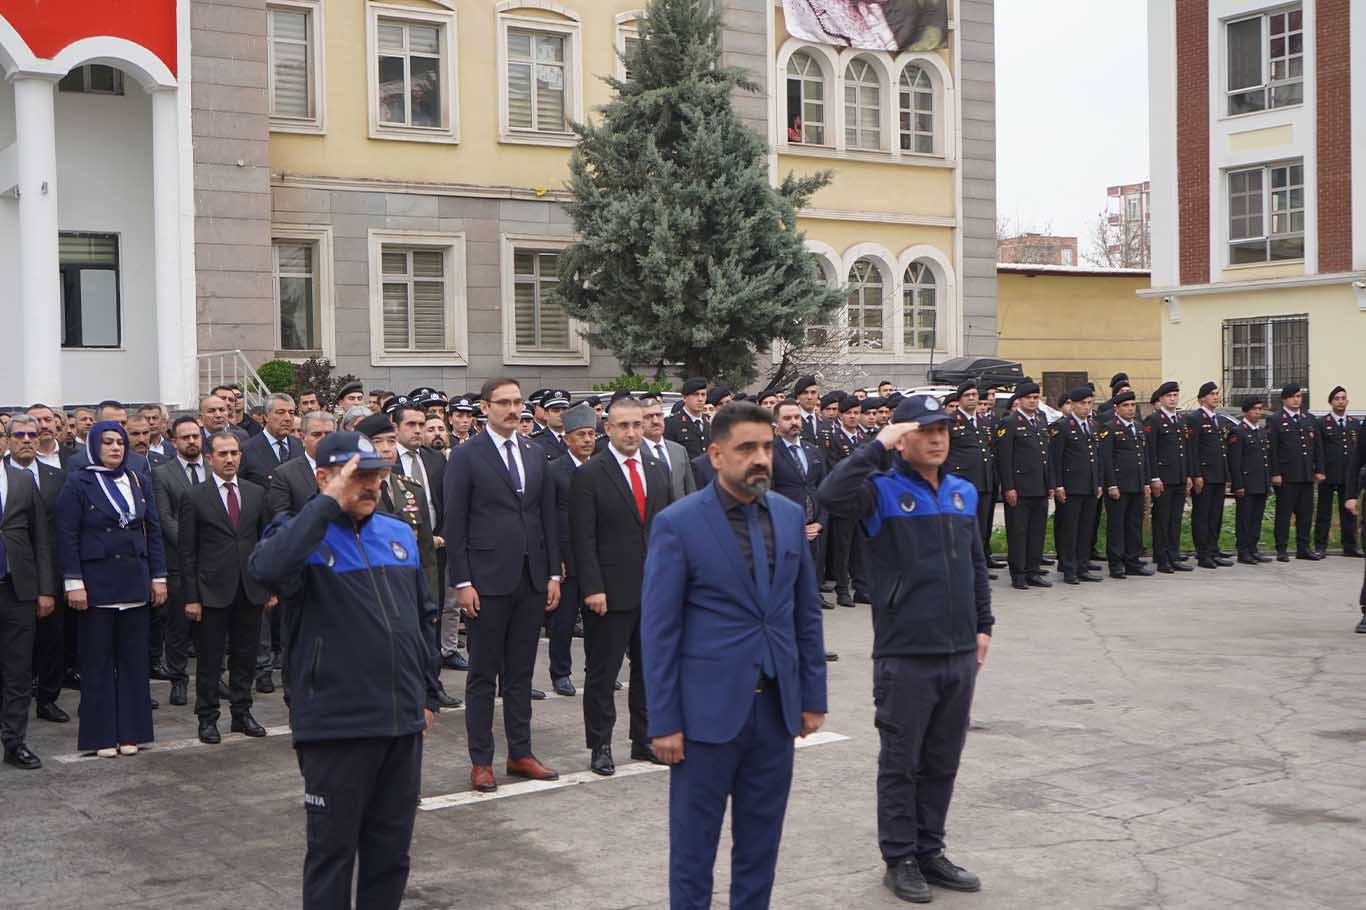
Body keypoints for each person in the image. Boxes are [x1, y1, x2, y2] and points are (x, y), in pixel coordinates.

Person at [642, 401, 827, 910]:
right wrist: (664, 721)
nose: (760, 458)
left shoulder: (789, 518)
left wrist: (812, 695)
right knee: (694, 850)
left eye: (766, 447)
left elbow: (804, 614)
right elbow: (659, 630)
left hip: (775, 712)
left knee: (760, 845)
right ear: (716, 454)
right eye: (747, 448)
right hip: (704, 718)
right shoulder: (678, 524)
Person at [247, 433, 439, 910]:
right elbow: (266, 570)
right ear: (324, 478)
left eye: (376, 473)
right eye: (358, 475)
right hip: (336, 724)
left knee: (391, 853)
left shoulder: (397, 532)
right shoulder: (299, 534)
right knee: (332, 854)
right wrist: (329, 503)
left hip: (400, 722)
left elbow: (421, 616)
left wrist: (428, 695)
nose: (370, 484)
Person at [818, 393, 992, 903]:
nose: (937, 438)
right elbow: (830, 497)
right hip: (905, 654)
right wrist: (876, 445)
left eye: (943, 429)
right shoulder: (879, 491)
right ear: (901, 437)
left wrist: (984, 624)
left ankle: (930, 850)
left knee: (943, 759)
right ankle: (900, 858)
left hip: (959, 651)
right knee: (902, 761)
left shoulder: (962, 491)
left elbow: (975, 563)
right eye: (925, 430)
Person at [444, 378, 562, 793]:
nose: (514, 410)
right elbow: (454, 523)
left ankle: (520, 753)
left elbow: (547, 517)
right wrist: (462, 581)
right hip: (486, 581)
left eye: (518, 402)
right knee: (481, 676)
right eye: (505, 403)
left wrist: (551, 574)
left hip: (531, 579)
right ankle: (481, 761)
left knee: (520, 673)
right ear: (485, 407)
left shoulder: (534, 452)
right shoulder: (466, 456)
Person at [568, 397, 671, 775]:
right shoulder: (591, 474)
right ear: (607, 429)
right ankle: (601, 745)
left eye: (637, 425)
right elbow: (583, 538)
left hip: (653, 592)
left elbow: (668, 532)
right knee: (603, 673)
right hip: (608, 594)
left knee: (649, 671)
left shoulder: (659, 470)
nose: (631, 432)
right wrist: (593, 588)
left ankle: (643, 740)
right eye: (623, 425)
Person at [55, 421, 168, 757]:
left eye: (120, 442)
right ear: (93, 445)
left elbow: (154, 531)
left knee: (134, 662)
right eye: (108, 442)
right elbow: (67, 535)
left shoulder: (138, 479)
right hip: (97, 585)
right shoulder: (78, 482)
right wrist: (73, 583)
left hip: (134, 581)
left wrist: (158, 576)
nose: (116, 448)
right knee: (98, 663)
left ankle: (132, 733)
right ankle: (101, 736)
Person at [356, 413, 462, 710]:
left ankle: (430, 689)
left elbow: (426, 550)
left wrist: (429, 592)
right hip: (377, 589)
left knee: (425, 642)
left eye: (391, 441)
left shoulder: (409, 487)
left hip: (413, 585)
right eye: (378, 443)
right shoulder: (354, 493)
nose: (387, 449)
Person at [180, 432, 273, 744]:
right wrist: (192, 597)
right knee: (209, 660)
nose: (230, 459)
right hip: (211, 591)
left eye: (234, 453)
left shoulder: (256, 493)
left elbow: (266, 543)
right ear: (210, 458)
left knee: (245, 657)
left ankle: (241, 713)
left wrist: (269, 586)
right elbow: (187, 551)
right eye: (223, 454)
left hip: (250, 588)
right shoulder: (195, 497)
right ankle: (207, 717)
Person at [5, 416, 69, 725]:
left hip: (42, 576)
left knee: (49, 644)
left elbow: (54, 535)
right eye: (20, 435)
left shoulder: (54, 477)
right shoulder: (7, 476)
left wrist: (52, 583)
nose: (27, 439)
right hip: (9, 578)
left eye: (32, 434)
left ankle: (43, 703)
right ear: (7, 440)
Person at [0, 438, 56, 769]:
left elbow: (41, 540)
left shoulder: (21, 480)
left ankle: (14, 741)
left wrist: (45, 589)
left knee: (18, 670)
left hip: (17, 589)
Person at [151, 416, 211, 707]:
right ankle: (178, 679)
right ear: (173, 441)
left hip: (213, 562)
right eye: (185, 437)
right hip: (178, 561)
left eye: (195, 436)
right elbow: (165, 518)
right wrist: (193, 545)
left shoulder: (213, 468)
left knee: (212, 627)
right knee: (178, 626)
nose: (191, 441)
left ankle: (212, 679)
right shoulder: (162, 474)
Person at [546, 404, 598, 700]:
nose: (588, 440)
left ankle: (597, 669)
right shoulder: (554, 470)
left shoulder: (602, 467)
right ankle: (561, 672)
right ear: (567, 439)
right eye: (581, 435)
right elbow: (549, 519)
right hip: (567, 559)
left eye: (592, 434)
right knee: (564, 621)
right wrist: (556, 560)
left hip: (596, 558)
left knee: (597, 620)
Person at [996, 382, 1052, 589]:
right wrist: (1008, 487)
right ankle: (1018, 574)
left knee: (1037, 532)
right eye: (1029, 397)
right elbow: (1004, 458)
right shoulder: (1010, 423)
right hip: (1019, 488)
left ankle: (1033, 571)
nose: (1033, 401)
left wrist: (1050, 484)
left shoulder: (1040, 421)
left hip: (1040, 486)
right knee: (1019, 532)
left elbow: (1047, 456)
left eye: (1036, 397)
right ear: (1019, 400)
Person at [1049, 388, 1103, 585]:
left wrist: (1099, 483)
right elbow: (1055, 460)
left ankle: (1082, 566)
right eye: (1083, 403)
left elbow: (1097, 459)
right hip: (1070, 487)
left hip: (1089, 486)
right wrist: (1058, 485)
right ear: (1072, 404)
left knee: (1085, 529)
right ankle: (1069, 568)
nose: (1087, 407)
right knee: (1069, 530)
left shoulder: (1093, 426)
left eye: (1090, 403)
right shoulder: (1061, 427)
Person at [1098, 391, 1153, 578]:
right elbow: (1106, 460)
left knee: (1134, 524)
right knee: (1117, 526)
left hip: (1136, 485)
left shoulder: (1137, 427)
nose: (1130, 409)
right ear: (1116, 409)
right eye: (1125, 406)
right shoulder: (1109, 428)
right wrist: (1111, 485)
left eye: (1132, 405)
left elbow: (1143, 457)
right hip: (1119, 486)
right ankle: (1116, 563)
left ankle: (1133, 561)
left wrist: (1146, 482)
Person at [1266, 383, 1323, 561]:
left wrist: (1319, 469)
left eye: (1299, 396)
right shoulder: (1276, 419)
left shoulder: (1309, 419)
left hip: (1306, 474)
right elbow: (1272, 450)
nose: (1296, 400)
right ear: (1284, 399)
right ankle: (1281, 548)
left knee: (1305, 514)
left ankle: (1303, 547)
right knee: (1284, 513)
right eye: (1293, 396)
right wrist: (1275, 473)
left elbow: (1317, 447)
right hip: (1287, 475)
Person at [945, 381, 995, 575]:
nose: (972, 398)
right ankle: (961, 569)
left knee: (981, 529)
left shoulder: (983, 421)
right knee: (962, 529)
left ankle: (978, 567)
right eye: (968, 395)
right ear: (959, 400)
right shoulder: (951, 422)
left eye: (974, 395)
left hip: (983, 482)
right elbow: (945, 454)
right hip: (961, 484)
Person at [1144, 381, 1193, 574]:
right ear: (1161, 399)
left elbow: (1184, 450)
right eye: (1169, 396)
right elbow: (1151, 452)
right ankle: (1162, 557)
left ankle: (1173, 555)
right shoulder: (1154, 420)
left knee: (1175, 519)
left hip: (1179, 477)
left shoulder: (1180, 420)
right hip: (1163, 478)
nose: (1172, 399)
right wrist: (1154, 478)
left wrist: (1187, 474)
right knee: (1162, 519)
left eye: (1175, 395)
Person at [825, 395, 868, 607]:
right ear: (841, 415)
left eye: (856, 413)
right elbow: (836, 470)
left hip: (862, 501)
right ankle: (843, 590)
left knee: (860, 547)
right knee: (843, 548)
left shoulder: (863, 437)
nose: (853, 416)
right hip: (844, 502)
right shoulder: (834, 439)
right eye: (849, 413)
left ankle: (861, 587)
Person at [1186, 382, 1233, 569]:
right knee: (1202, 515)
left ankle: (1213, 549)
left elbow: (1222, 449)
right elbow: (1193, 449)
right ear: (1202, 398)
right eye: (1212, 394)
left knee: (1216, 515)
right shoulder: (1195, 418)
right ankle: (1203, 553)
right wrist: (1196, 474)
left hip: (1218, 474)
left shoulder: (1219, 419)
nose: (1216, 397)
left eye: (1217, 393)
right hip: (1204, 475)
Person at [1315, 386, 1361, 557]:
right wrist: (1319, 470)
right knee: (1323, 512)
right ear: (1330, 402)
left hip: (1348, 476)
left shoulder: (1354, 423)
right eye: (1337, 398)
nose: (1340, 401)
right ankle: (1320, 546)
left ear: (1347, 401)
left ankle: (1350, 546)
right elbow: (1318, 450)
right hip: (1328, 474)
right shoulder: (1321, 423)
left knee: (1349, 513)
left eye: (1343, 398)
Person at [1228, 398, 1273, 565]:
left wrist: (1267, 482)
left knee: (1256, 518)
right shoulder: (1238, 431)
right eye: (1254, 409)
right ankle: (1243, 551)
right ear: (1246, 411)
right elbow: (1235, 461)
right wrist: (1238, 484)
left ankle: (1253, 549)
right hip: (1246, 483)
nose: (1258, 412)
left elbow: (1265, 459)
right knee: (1245, 519)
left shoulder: (1261, 432)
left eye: (1260, 409)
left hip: (1260, 482)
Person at [640, 394, 697, 501]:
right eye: (648, 417)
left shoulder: (679, 450)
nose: (655, 421)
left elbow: (690, 490)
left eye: (658, 415)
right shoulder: (635, 452)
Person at [239, 393, 301, 488]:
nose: (288, 418)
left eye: (291, 413)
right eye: (281, 412)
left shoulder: (300, 446)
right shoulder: (246, 450)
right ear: (266, 416)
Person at [664, 377, 711, 458]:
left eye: (703, 394)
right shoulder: (672, 423)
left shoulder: (709, 421)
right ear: (685, 398)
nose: (700, 399)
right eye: (695, 394)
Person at [530, 390, 572, 460]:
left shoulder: (576, 437)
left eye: (564, 409)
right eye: (556, 410)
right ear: (546, 415)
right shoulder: (536, 441)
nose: (561, 414)